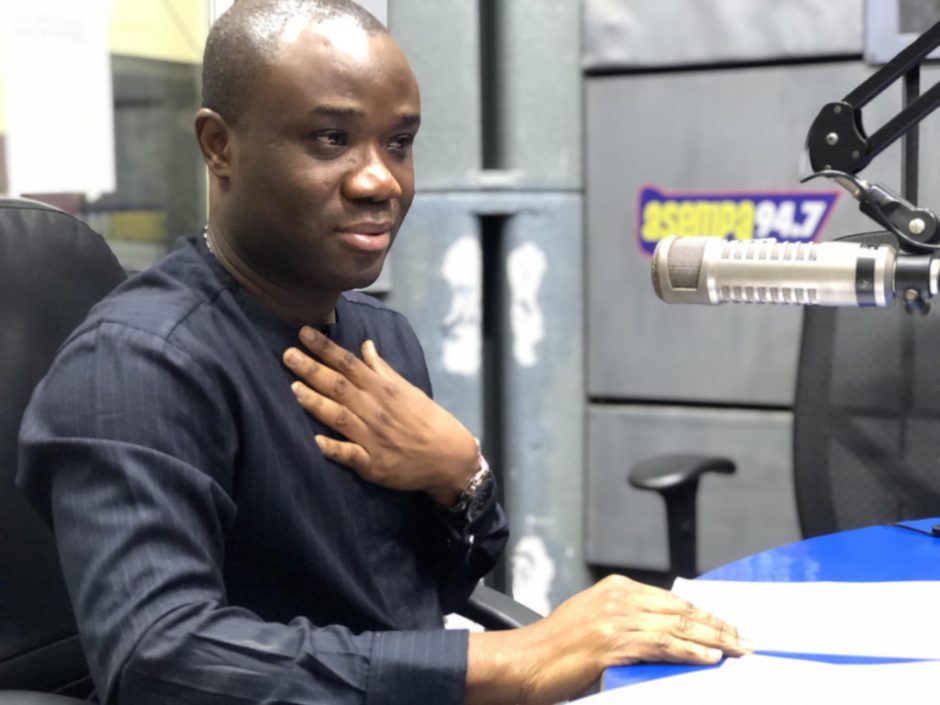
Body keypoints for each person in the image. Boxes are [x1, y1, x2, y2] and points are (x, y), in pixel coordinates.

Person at [16, 1, 750, 704]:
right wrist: (516, 660)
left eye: (398, 143)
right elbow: (162, 662)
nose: (381, 180)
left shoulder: (379, 338)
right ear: (219, 146)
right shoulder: (137, 364)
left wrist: (462, 478)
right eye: (330, 139)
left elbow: (433, 587)